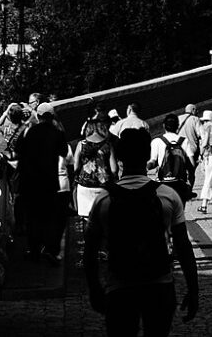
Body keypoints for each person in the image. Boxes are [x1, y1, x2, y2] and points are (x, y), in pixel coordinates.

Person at [83, 128, 199, 337]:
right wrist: (193, 288)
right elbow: (183, 246)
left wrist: (94, 288)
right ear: (147, 156)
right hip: (159, 283)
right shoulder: (167, 195)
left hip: (119, 285)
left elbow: (90, 250)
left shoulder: (104, 198)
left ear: (119, 158)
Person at [16, 102, 70, 265]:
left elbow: (19, 148)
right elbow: (64, 151)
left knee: (33, 218)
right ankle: (50, 249)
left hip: (31, 182)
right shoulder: (57, 132)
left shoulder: (30, 131)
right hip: (49, 181)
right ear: (52, 116)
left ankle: (33, 250)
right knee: (49, 217)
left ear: (38, 116)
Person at [72, 110, 117, 219]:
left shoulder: (81, 144)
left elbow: (75, 166)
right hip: (103, 185)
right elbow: (114, 169)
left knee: (87, 218)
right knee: (104, 217)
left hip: (85, 184)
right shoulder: (108, 145)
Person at [149, 114, 193, 202]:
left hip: (163, 181)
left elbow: (153, 162)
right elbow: (192, 164)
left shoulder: (156, 141)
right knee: (179, 210)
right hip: (180, 181)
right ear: (178, 126)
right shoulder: (185, 141)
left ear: (164, 125)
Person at [177, 104, 203, 187]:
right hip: (192, 149)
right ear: (193, 110)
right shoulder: (195, 119)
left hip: (179, 149)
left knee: (180, 170)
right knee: (191, 171)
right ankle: (189, 189)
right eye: (196, 110)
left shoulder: (178, 118)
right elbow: (201, 134)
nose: (197, 112)